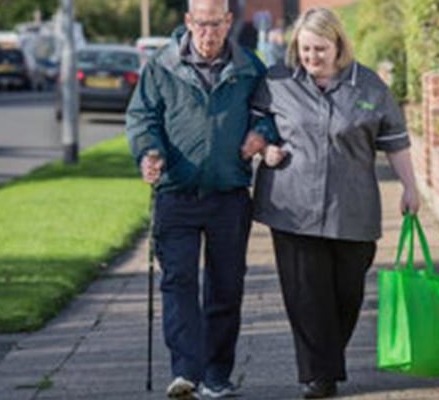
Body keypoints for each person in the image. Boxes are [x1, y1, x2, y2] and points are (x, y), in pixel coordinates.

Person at [250, 7, 420, 399]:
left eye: (320, 49)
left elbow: (395, 141)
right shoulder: (277, 81)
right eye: (305, 49)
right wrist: (267, 149)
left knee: (348, 292)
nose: (312, 57)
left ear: (339, 45)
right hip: (291, 205)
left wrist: (411, 188)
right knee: (307, 295)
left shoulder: (370, 86)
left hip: (353, 209)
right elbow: (257, 126)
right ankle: (319, 377)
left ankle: (326, 360)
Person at [125, 0, 274, 398]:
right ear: (188, 22)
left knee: (227, 286)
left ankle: (217, 375)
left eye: (216, 24)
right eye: (201, 24)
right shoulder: (161, 65)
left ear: (229, 22)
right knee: (178, 282)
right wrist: (149, 153)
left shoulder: (249, 67)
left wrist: (261, 133)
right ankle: (186, 372)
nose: (208, 33)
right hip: (176, 192)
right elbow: (143, 118)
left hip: (229, 193)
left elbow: (271, 111)